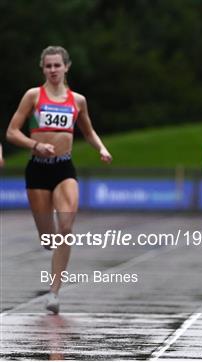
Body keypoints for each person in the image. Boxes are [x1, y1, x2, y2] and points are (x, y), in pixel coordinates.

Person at [6, 46, 112, 314]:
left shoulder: (78, 100)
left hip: (64, 168)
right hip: (38, 170)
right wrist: (34, 145)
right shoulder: (33, 96)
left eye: (57, 65)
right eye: (48, 66)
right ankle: (48, 239)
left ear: (67, 67)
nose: (53, 70)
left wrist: (101, 148)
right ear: (43, 68)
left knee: (66, 228)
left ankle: (54, 292)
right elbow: (12, 132)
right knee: (49, 239)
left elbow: (88, 131)